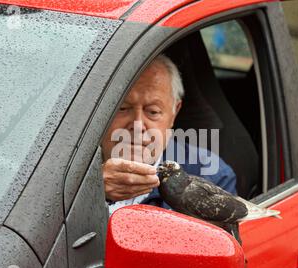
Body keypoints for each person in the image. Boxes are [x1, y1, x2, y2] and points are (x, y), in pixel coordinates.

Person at [101, 54, 237, 214]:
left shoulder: (211, 176)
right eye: (122, 108)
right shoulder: (70, 166)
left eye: (153, 111)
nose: (137, 126)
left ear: (174, 113)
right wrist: (93, 188)